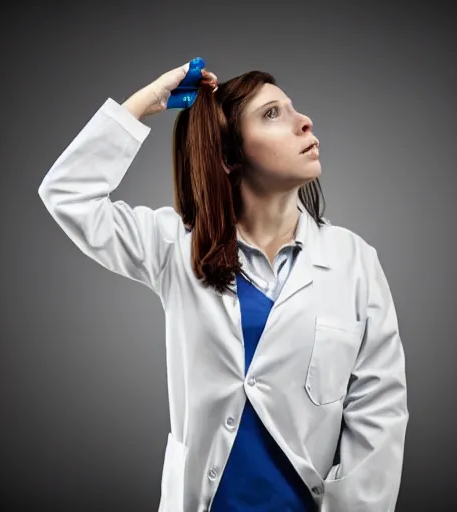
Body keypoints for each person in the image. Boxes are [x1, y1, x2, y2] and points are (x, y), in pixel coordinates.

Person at [38, 59, 409, 512]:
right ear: (231, 156)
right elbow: (66, 193)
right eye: (273, 114)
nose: (304, 121)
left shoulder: (354, 261)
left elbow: (378, 409)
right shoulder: (176, 246)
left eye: (293, 109)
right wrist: (143, 103)